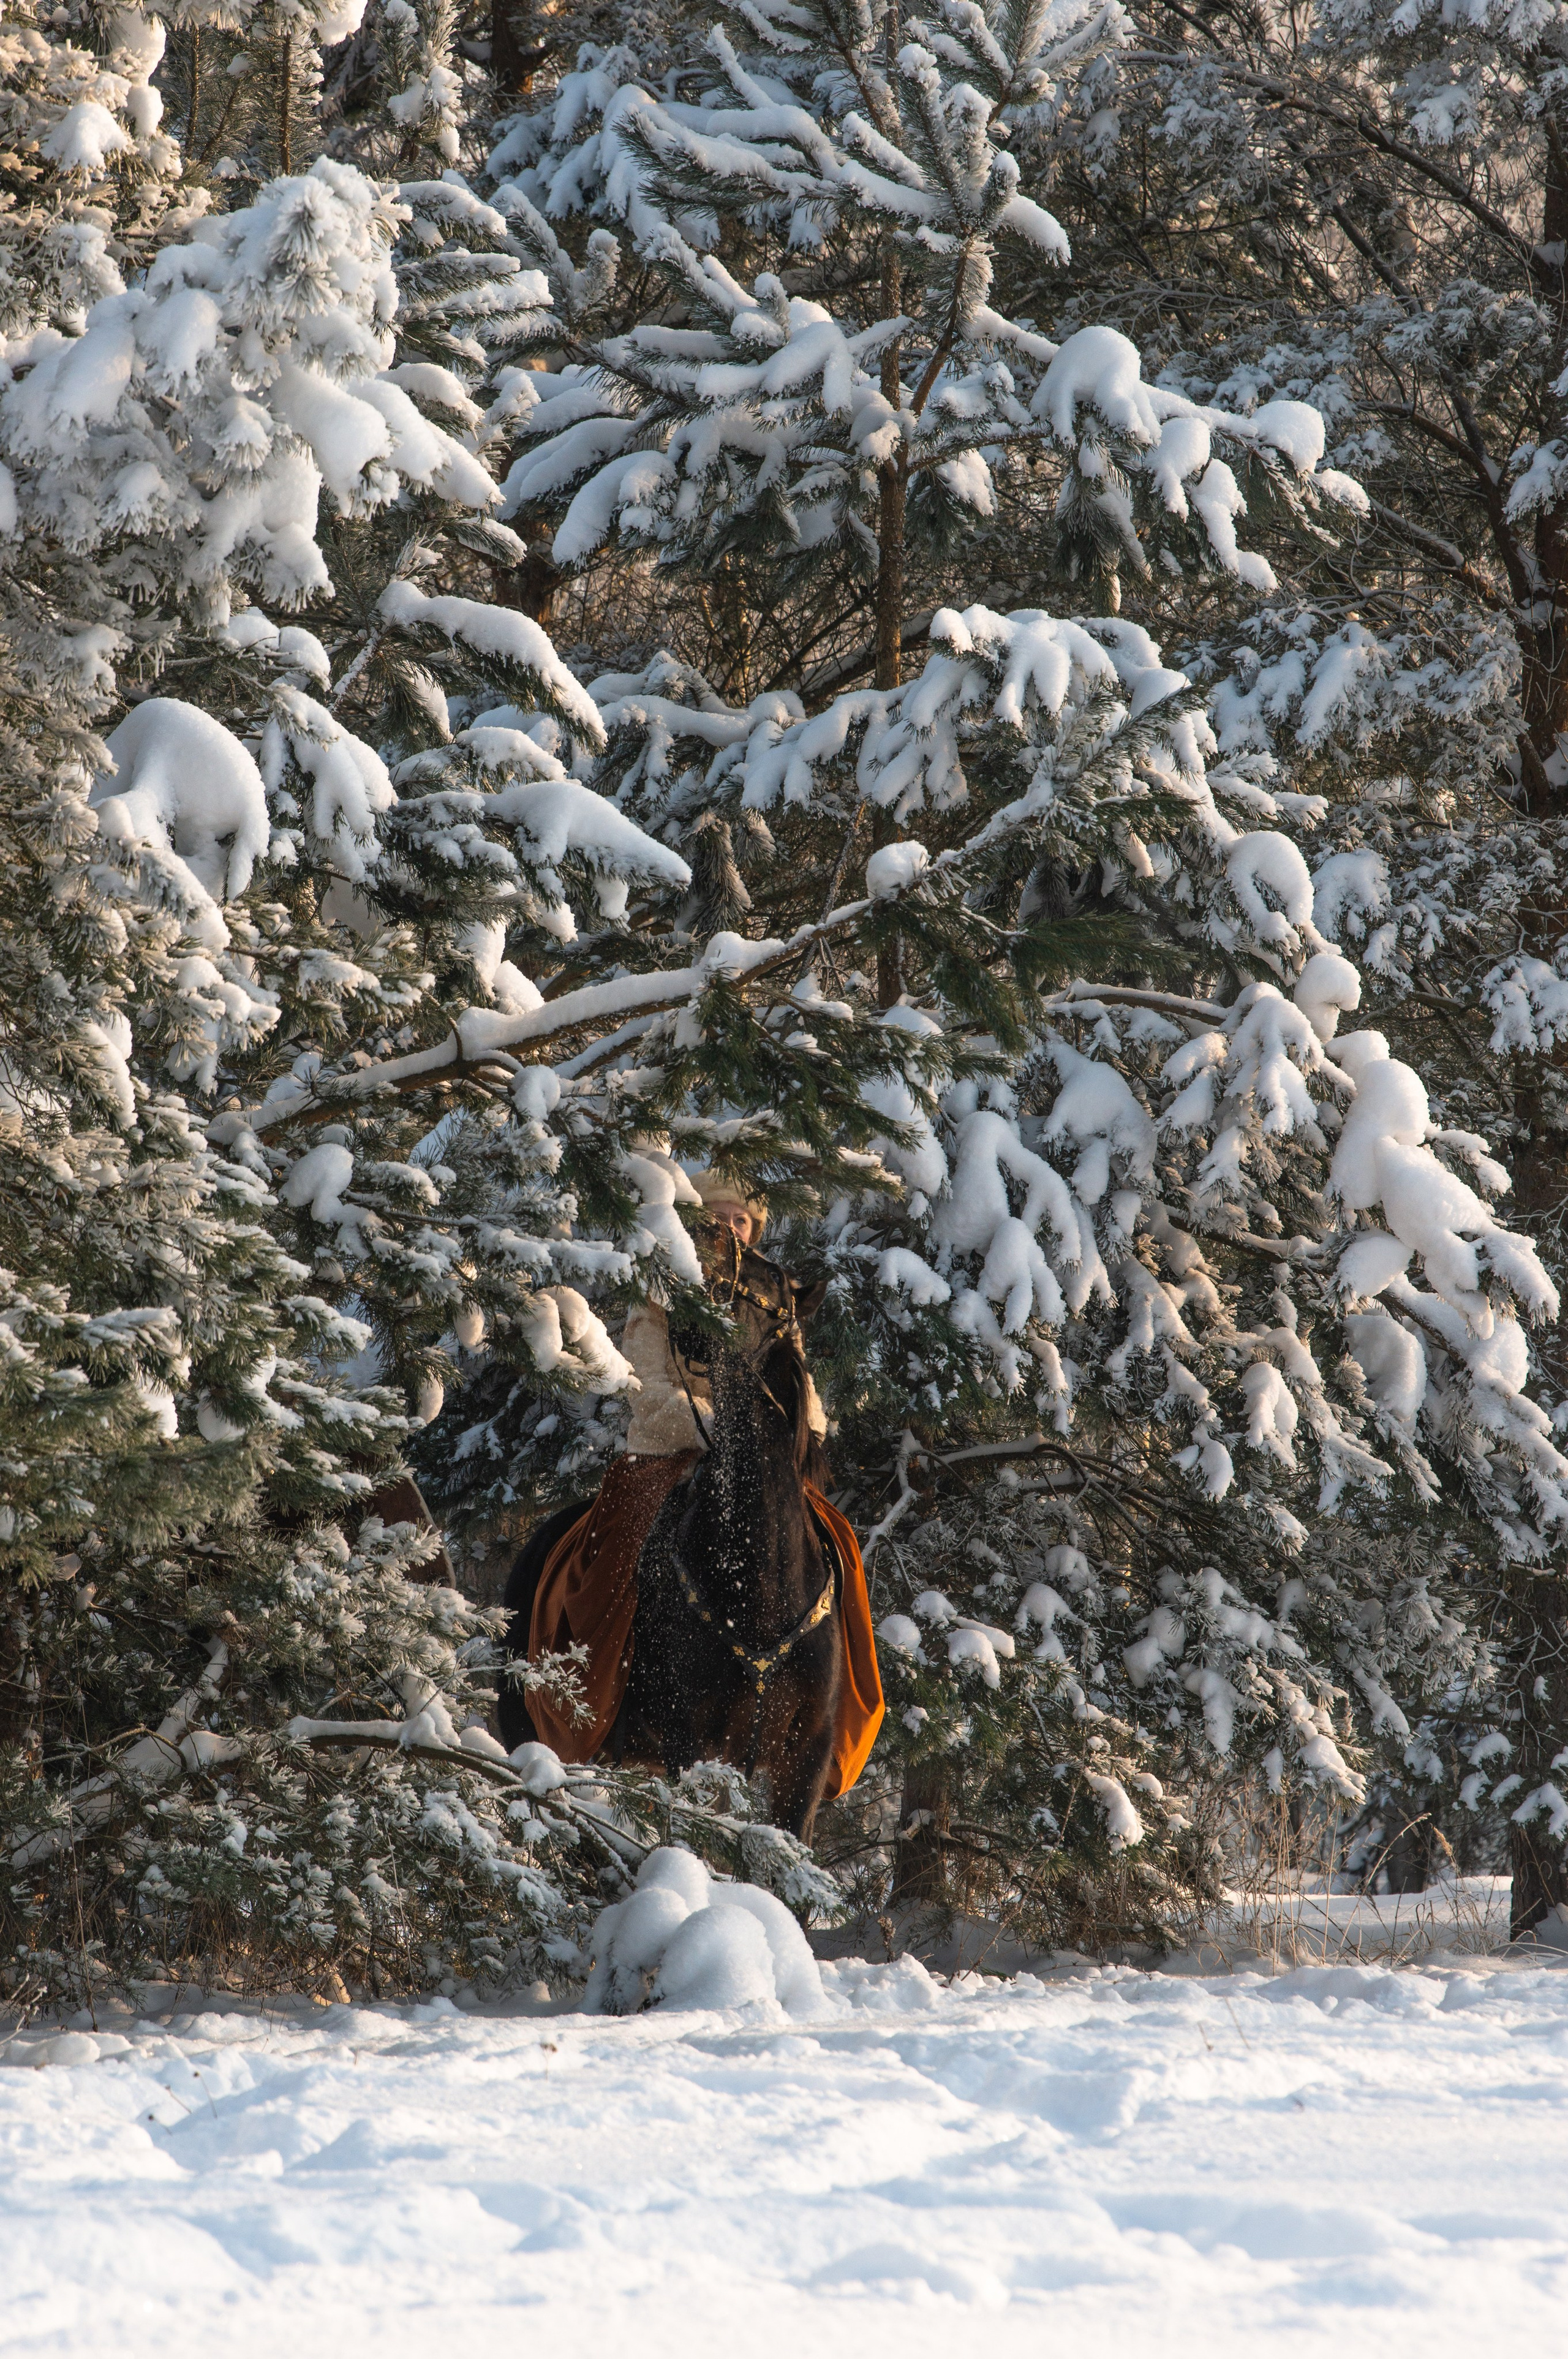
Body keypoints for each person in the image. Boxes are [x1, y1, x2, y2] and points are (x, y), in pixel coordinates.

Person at [522, 1168, 883, 1798]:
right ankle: (594, 1697)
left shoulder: (774, 1294)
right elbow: (647, 1386)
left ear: (755, 1227)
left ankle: (835, 1718)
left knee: (839, 1546)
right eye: (714, 1220)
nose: (728, 1230)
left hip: (765, 1461)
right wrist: (718, 1427)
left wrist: (795, 1437)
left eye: (738, 1220)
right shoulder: (664, 1288)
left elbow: (803, 1393)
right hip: (673, 1452)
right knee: (616, 1549)